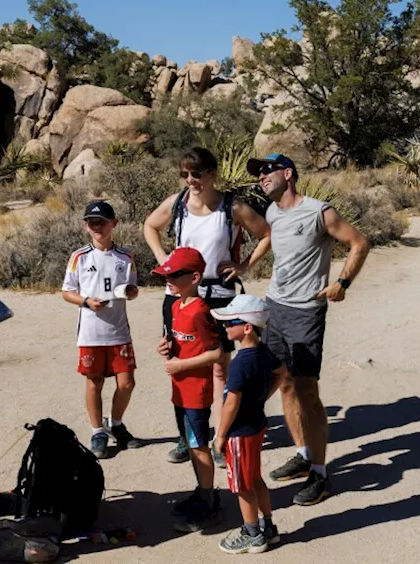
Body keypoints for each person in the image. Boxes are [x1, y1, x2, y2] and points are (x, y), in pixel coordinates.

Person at [245, 153, 369, 506]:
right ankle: (302, 454)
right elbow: (269, 237)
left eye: (267, 171)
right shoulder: (273, 212)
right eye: (259, 174)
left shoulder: (319, 211)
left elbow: (359, 242)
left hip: (304, 313)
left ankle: (320, 472)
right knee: (282, 383)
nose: (262, 177)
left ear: (288, 173)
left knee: (306, 391)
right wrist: (246, 263)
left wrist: (342, 282)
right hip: (275, 308)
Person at [143, 147, 272, 467]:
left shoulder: (232, 207)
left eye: (197, 174)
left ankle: (219, 437)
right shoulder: (177, 205)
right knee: (182, 362)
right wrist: (164, 260)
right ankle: (187, 435)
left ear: (212, 174)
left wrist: (244, 266)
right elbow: (149, 226)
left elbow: (267, 233)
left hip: (219, 293)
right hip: (180, 296)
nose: (190, 180)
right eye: (185, 174)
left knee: (219, 368)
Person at [61, 200, 141, 458]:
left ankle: (115, 424)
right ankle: (97, 431)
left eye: (101, 222)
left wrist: (131, 292)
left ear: (113, 224)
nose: (97, 226)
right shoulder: (79, 257)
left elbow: (132, 288)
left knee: (127, 383)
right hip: (91, 332)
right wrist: (86, 301)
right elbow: (67, 291)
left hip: (119, 331)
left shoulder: (126, 257)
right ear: (86, 226)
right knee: (94, 382)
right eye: (91, 222)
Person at [153, 247, 225, 532]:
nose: (167, 279)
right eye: (165, 274)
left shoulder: (200, 312)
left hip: (196, 391)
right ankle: (202, 491)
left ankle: (208, 502)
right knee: (189, 441)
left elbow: (216, 353)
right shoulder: (175, 306)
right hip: (179, 390)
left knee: (198, 445)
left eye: (174, 274)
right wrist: (166, 347)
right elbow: (176, 342)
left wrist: (182, 366)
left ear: (195, 277)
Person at [211, 295, 284, 554]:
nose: (225, 326)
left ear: (248, 327)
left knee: (242, 486)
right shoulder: (263, 352)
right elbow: (281, 372)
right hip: (256, 425)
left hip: (239, 432)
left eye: (231, 322)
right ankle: (268, 526)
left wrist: (220, 436)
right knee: (254, 478)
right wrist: (262, 396)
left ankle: (253, 534)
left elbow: (231, 403)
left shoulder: (241, 362)